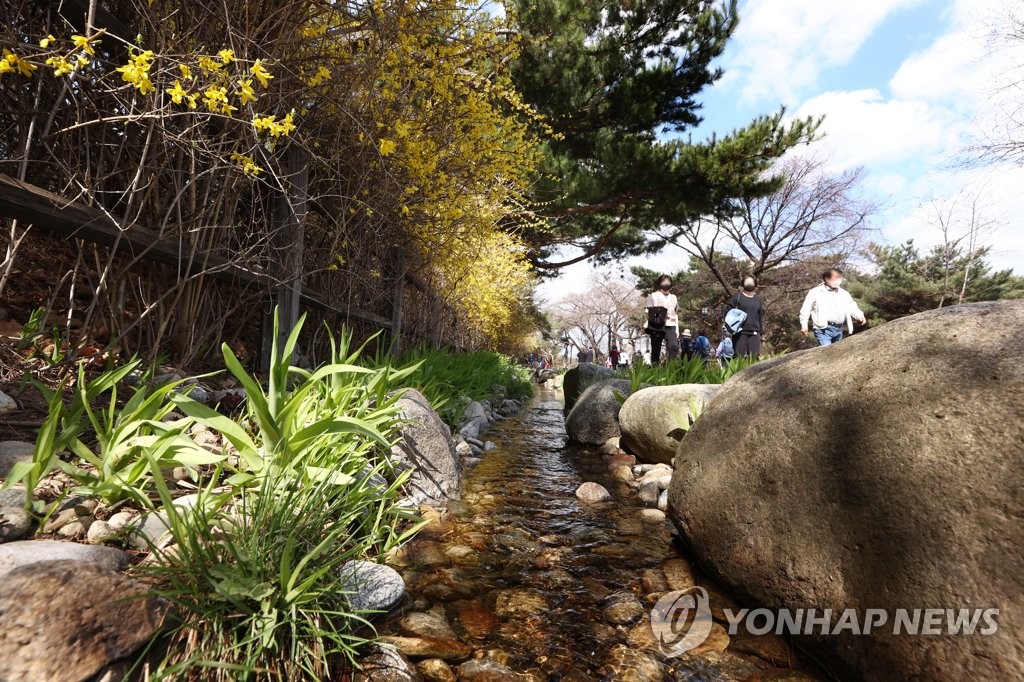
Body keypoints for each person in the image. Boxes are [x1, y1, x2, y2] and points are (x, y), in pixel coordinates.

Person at [799, 267, 867, 346]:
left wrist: (860, 316)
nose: (839, 279)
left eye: (840, 277)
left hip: (839, 329)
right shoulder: (815, 292)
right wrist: (804, 326)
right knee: (827, 353)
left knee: (838, 355)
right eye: (836, 277)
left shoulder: (844, 293)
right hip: (823, 330)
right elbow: (805, 310)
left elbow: (851, 306)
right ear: (827, 278)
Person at [725, 274, 765, 359]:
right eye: (747, 281)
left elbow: (760, 316)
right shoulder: (737, 297)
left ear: (755, 284)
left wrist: (761, 333)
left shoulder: (757, 299)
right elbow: (727, 311)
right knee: (737, 357)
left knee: (754, 359)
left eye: (751, 281)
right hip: (740, 333)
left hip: (754, 333)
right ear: (743, 284)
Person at [645, 274, 679, 364]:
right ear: (659, 283)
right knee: (656, 348)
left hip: (670, 324)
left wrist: (677, 330)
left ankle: (672, 368)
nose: (666, 284)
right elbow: (647, 310)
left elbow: (676, 314)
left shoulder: (674, 297)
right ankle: (655, 370)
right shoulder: (652, 295)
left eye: (668, 282)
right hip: (657, 324)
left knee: (673, 346)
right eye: (663, 282)